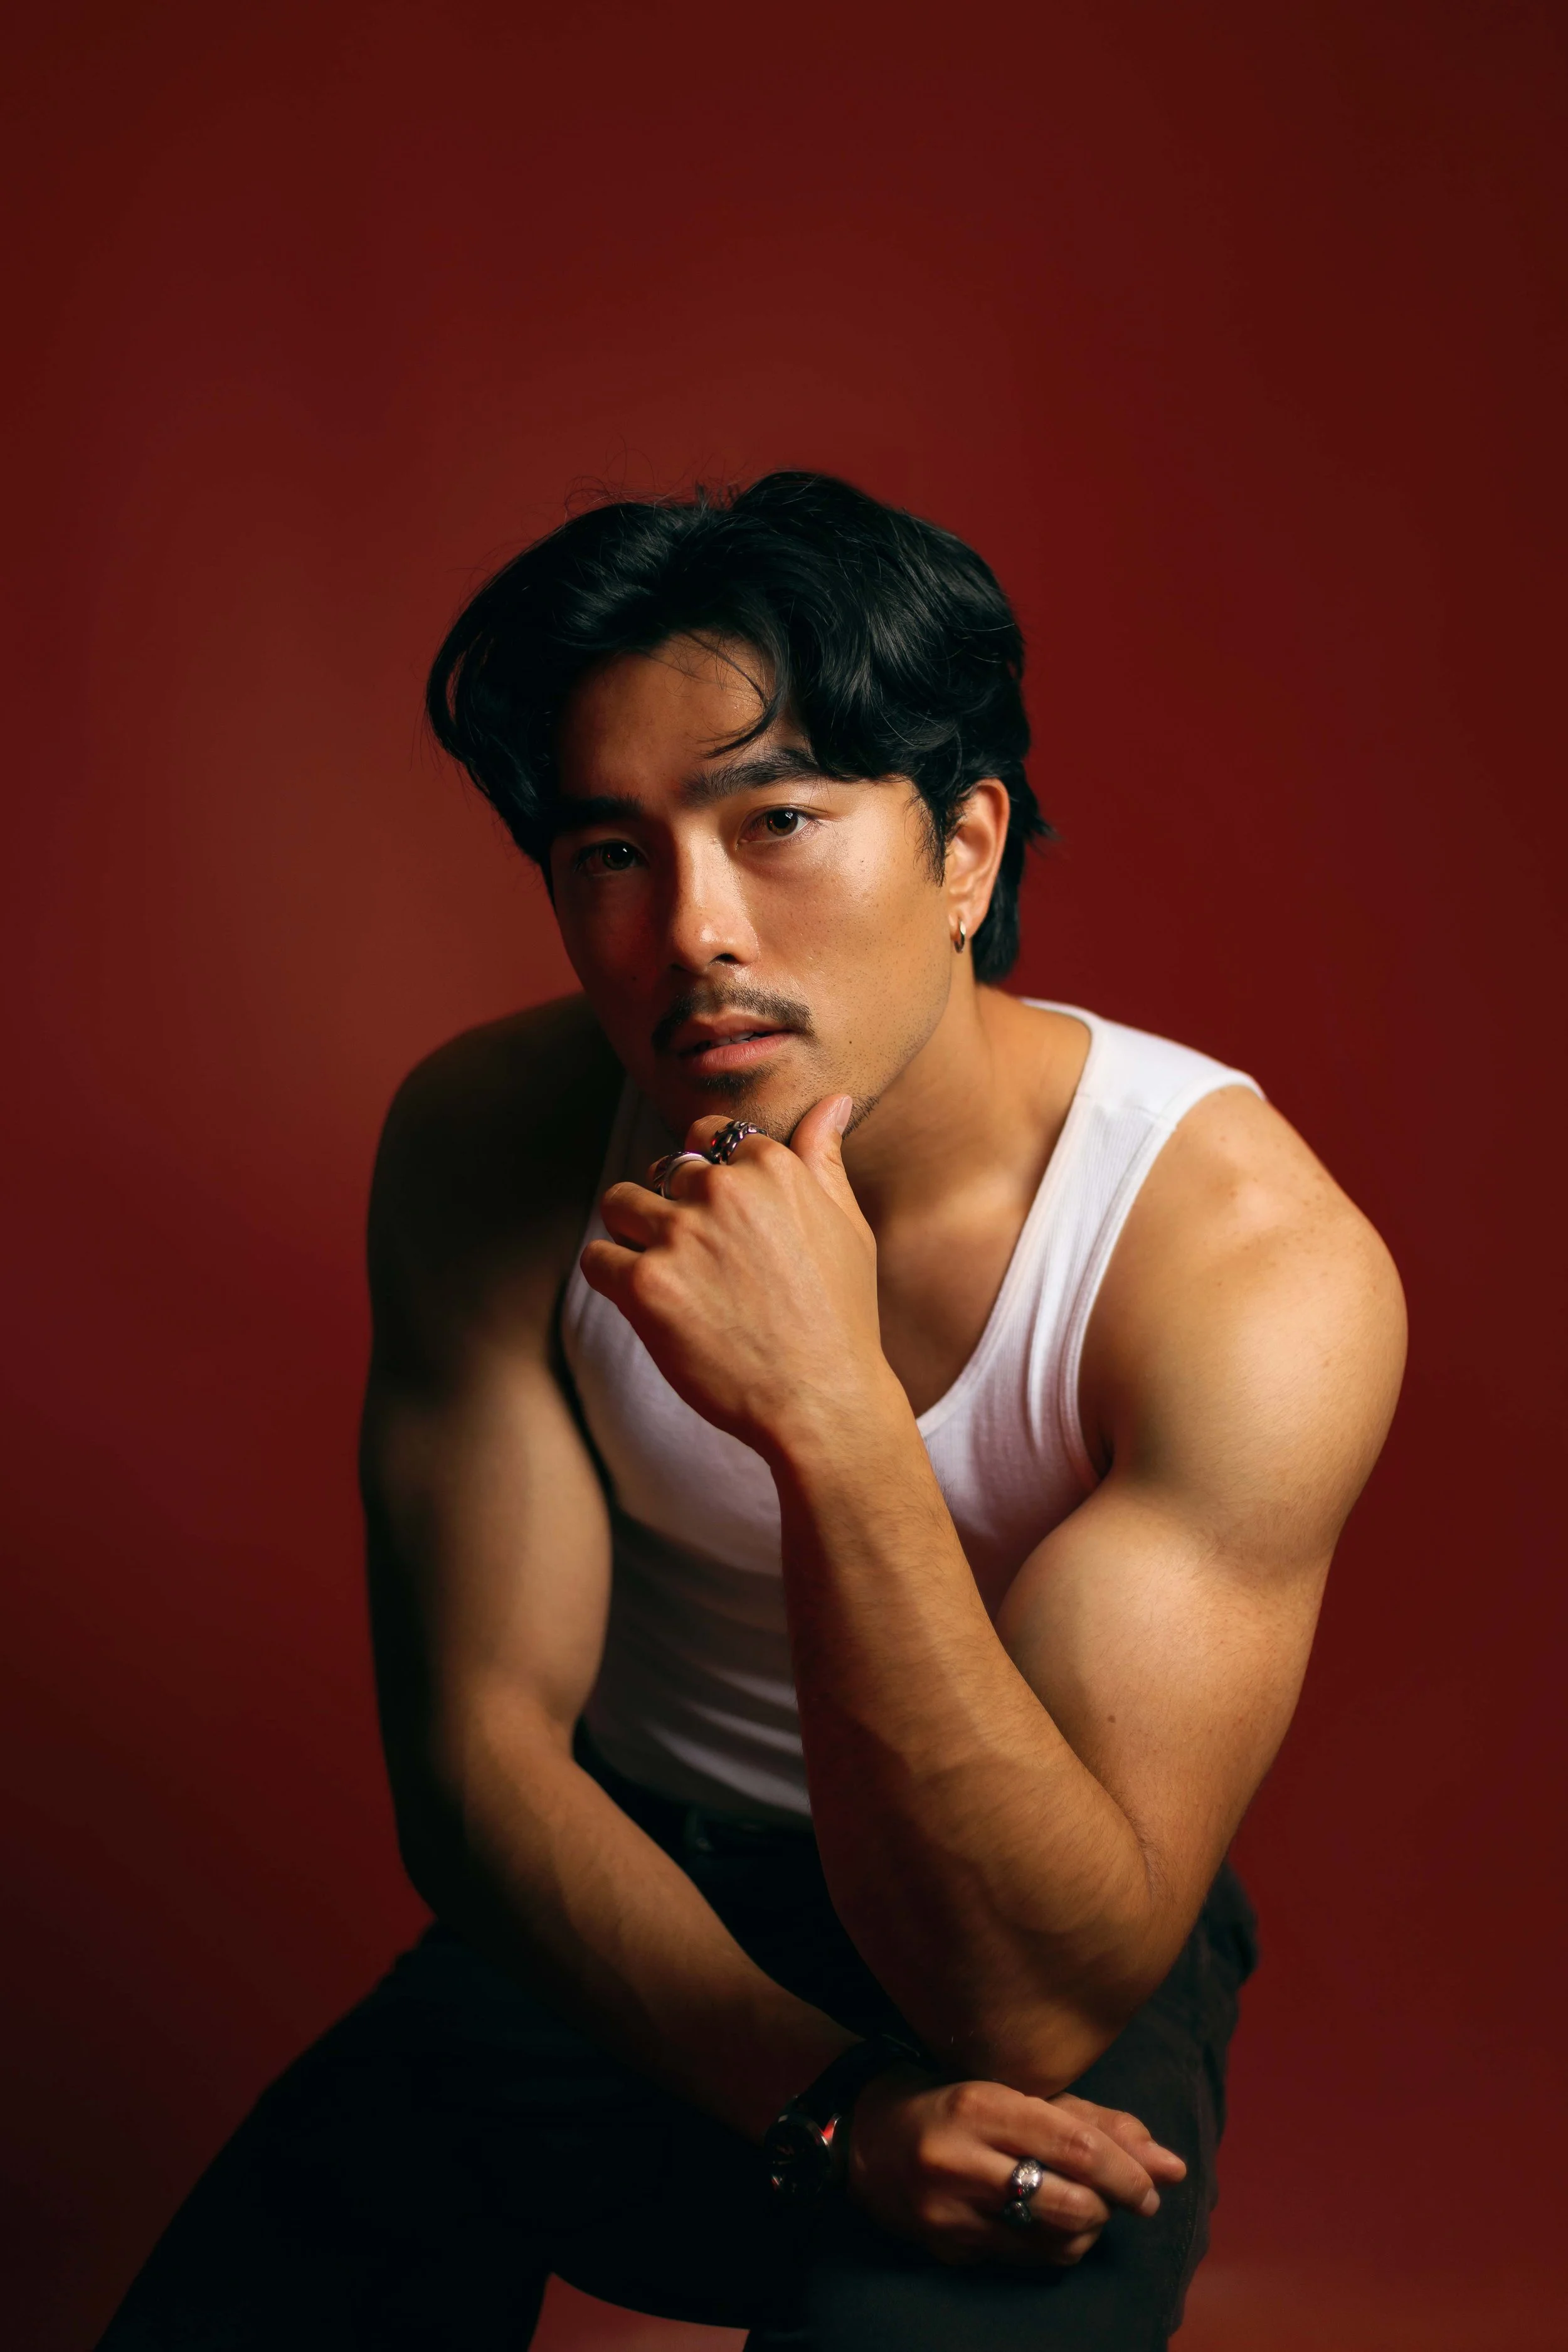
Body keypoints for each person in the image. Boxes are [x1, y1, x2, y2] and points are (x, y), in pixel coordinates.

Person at [101, 473, 1405, 2350]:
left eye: (776, 819)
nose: (694, 928)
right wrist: (826, 2109)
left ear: (964, 851)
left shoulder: (1236, 1258)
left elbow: (1039, 1989)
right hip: (620, 1907)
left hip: (1034, 1919)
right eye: (609, 852)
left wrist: (831, 1410)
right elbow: (478, 1766)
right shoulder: (499, 1139)